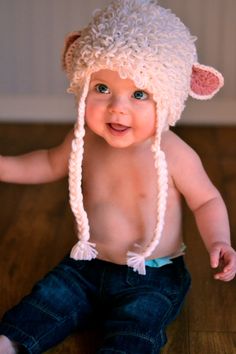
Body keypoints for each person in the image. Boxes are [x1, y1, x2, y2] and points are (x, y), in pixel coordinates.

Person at [0, 1, 235, 353]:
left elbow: (206, 199)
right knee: (46, 302)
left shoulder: (175, 153)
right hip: (86, 264)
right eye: (102, 89)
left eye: (139, 94)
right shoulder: (86, 140)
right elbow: (48, 163)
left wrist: (219, 240)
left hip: (152, 275)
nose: (117, 108)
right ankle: (10, 343)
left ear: (169, 97)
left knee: (138, 327)